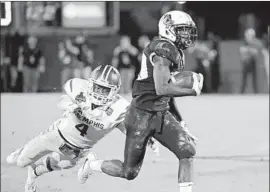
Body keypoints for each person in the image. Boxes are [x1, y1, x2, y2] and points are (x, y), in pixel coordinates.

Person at [78, 10, 203, 192]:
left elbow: (165, 96)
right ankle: (92, 165)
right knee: (129, 172)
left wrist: (180, 122)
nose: (186, 35)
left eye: (187, 30)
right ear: (169, 30)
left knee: (187, 151)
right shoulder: (163, 49)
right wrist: (191, 90)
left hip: (160, 113)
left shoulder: (173, 50)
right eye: (182, 30)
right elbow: (162, 88)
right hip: (140, 117)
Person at [6, 65, 159, 192]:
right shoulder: (80, 90)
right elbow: (61, 101)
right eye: (97, 87)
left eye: (104, 90)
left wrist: (145, 138)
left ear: (114, 91)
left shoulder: (119, 108)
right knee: (20, 162)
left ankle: (33, 174)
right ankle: (22, 150)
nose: (99, 93)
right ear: (90, 84)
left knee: (58, 165)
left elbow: (129, 129)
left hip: (77, 150)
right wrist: (72, 106)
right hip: (56, 135)